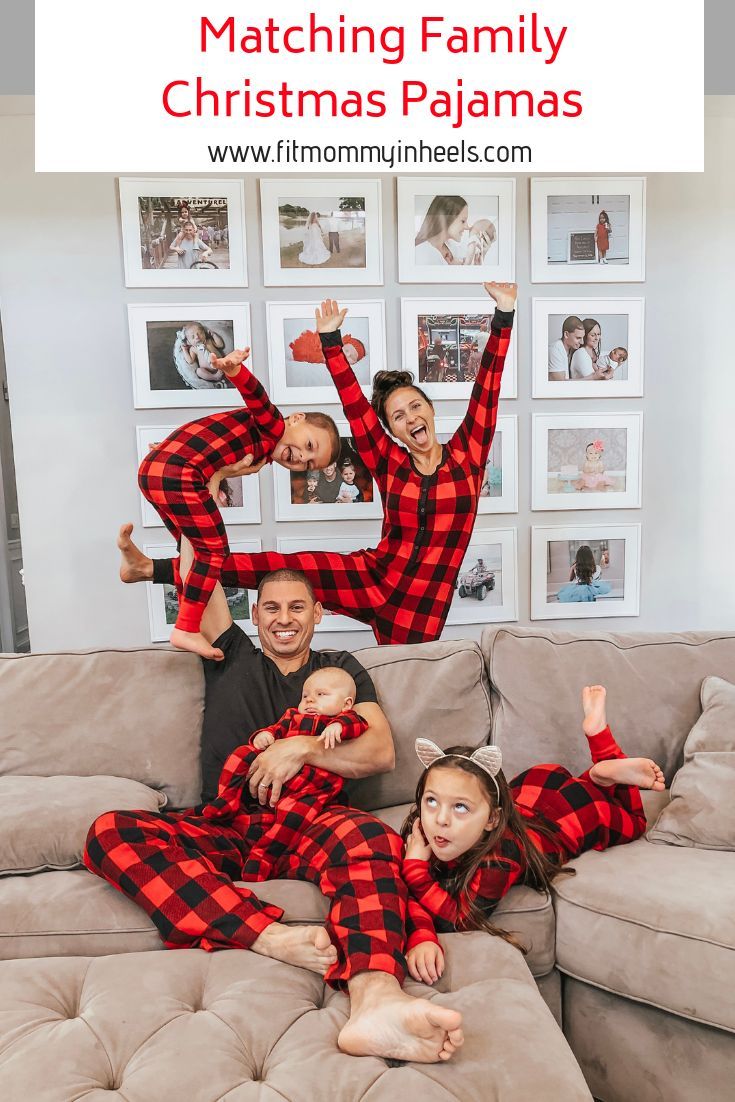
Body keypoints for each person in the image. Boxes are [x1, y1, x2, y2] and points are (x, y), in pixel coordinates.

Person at [86, 563, 464, 1063]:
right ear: (255, 614)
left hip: (313, 821)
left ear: (318, 613)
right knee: (109, 830)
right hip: (230, 824)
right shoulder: (230, 653)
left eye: (296, 607)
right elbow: (196, 553)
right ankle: (269, 937)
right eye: (271, 607)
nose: (283, 619)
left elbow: (380, 753)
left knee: (371, 835)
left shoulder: (340, 668)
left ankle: (378, 1001)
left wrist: (301, 748)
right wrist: (204, 482)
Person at [122, 283, 516, 645]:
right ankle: (150, 570)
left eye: (415, 407)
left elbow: (488, 386)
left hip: (421, 605)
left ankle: (149, 570)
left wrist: (503, 316)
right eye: (398, 416)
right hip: (370, 577)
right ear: (393, 430)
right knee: (278, 570)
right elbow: (356, 408)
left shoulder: (469, 454)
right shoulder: (390, 460)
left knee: (403, 692)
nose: (410, 418)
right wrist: (330, 341)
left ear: (430, 410)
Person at [399, 686, 664, 983]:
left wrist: (415, 869)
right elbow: (403, 893)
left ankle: (600, 746)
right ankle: (598, 774)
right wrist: (421, 932)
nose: (441, 819)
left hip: (576, 812)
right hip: (535, 785)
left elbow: (460, 918)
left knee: (635, 821)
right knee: (588, 785)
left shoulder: (500, 855)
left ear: (491, 820)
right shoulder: (424, 826)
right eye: (431, 801)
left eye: (460, 807)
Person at [138, 346, 340, 659]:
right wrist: (235, 370)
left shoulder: (258, 450)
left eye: (309, 464)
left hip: (154, 471)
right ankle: (186, 627)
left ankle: (189, 620)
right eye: (308, 445)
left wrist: (164, 449)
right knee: (214, 550)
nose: (302, 457)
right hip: (179, 475)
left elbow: (201, 433)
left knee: (189, 545)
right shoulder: (272, 426)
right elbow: (257, 397)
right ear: (295, 419)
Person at [202, 667, 368, 853]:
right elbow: (277, 729)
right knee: (242, 753)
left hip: (311, 787)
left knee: (292, 817)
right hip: (278, 777)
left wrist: (339, 725)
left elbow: (359, 724)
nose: (310, 700)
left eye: (321, 694)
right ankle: (226, 800)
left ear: (346, 704)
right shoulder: (292, 716)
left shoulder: (343, 718)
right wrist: (264, 735)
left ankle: (264, 856)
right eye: (305, 696)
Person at [414, 196, 495, 266]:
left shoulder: (451, 247)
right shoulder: (424, 255)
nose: (467, 227)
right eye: (463, 221)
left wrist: (481, 257)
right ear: (446, 219)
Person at [548, 316, 585, 380]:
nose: (582, 342)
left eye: (583, 337)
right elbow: (560, 385)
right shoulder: (554, 350)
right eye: (578, 338)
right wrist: (593, 377)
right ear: (566, 335)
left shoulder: (572, 349)